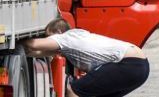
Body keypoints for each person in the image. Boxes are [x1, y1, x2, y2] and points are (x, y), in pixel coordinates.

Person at [20, 18, 150, 97]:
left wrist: (13, 43)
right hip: (141, 67)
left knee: (74, 90)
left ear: (58, 33)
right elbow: (38, 52)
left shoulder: (66, 38)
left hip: (128, 64)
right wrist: (22, 53)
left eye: (48, 36)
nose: (48, 39)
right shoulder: (77, 37)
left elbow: (33, 44)